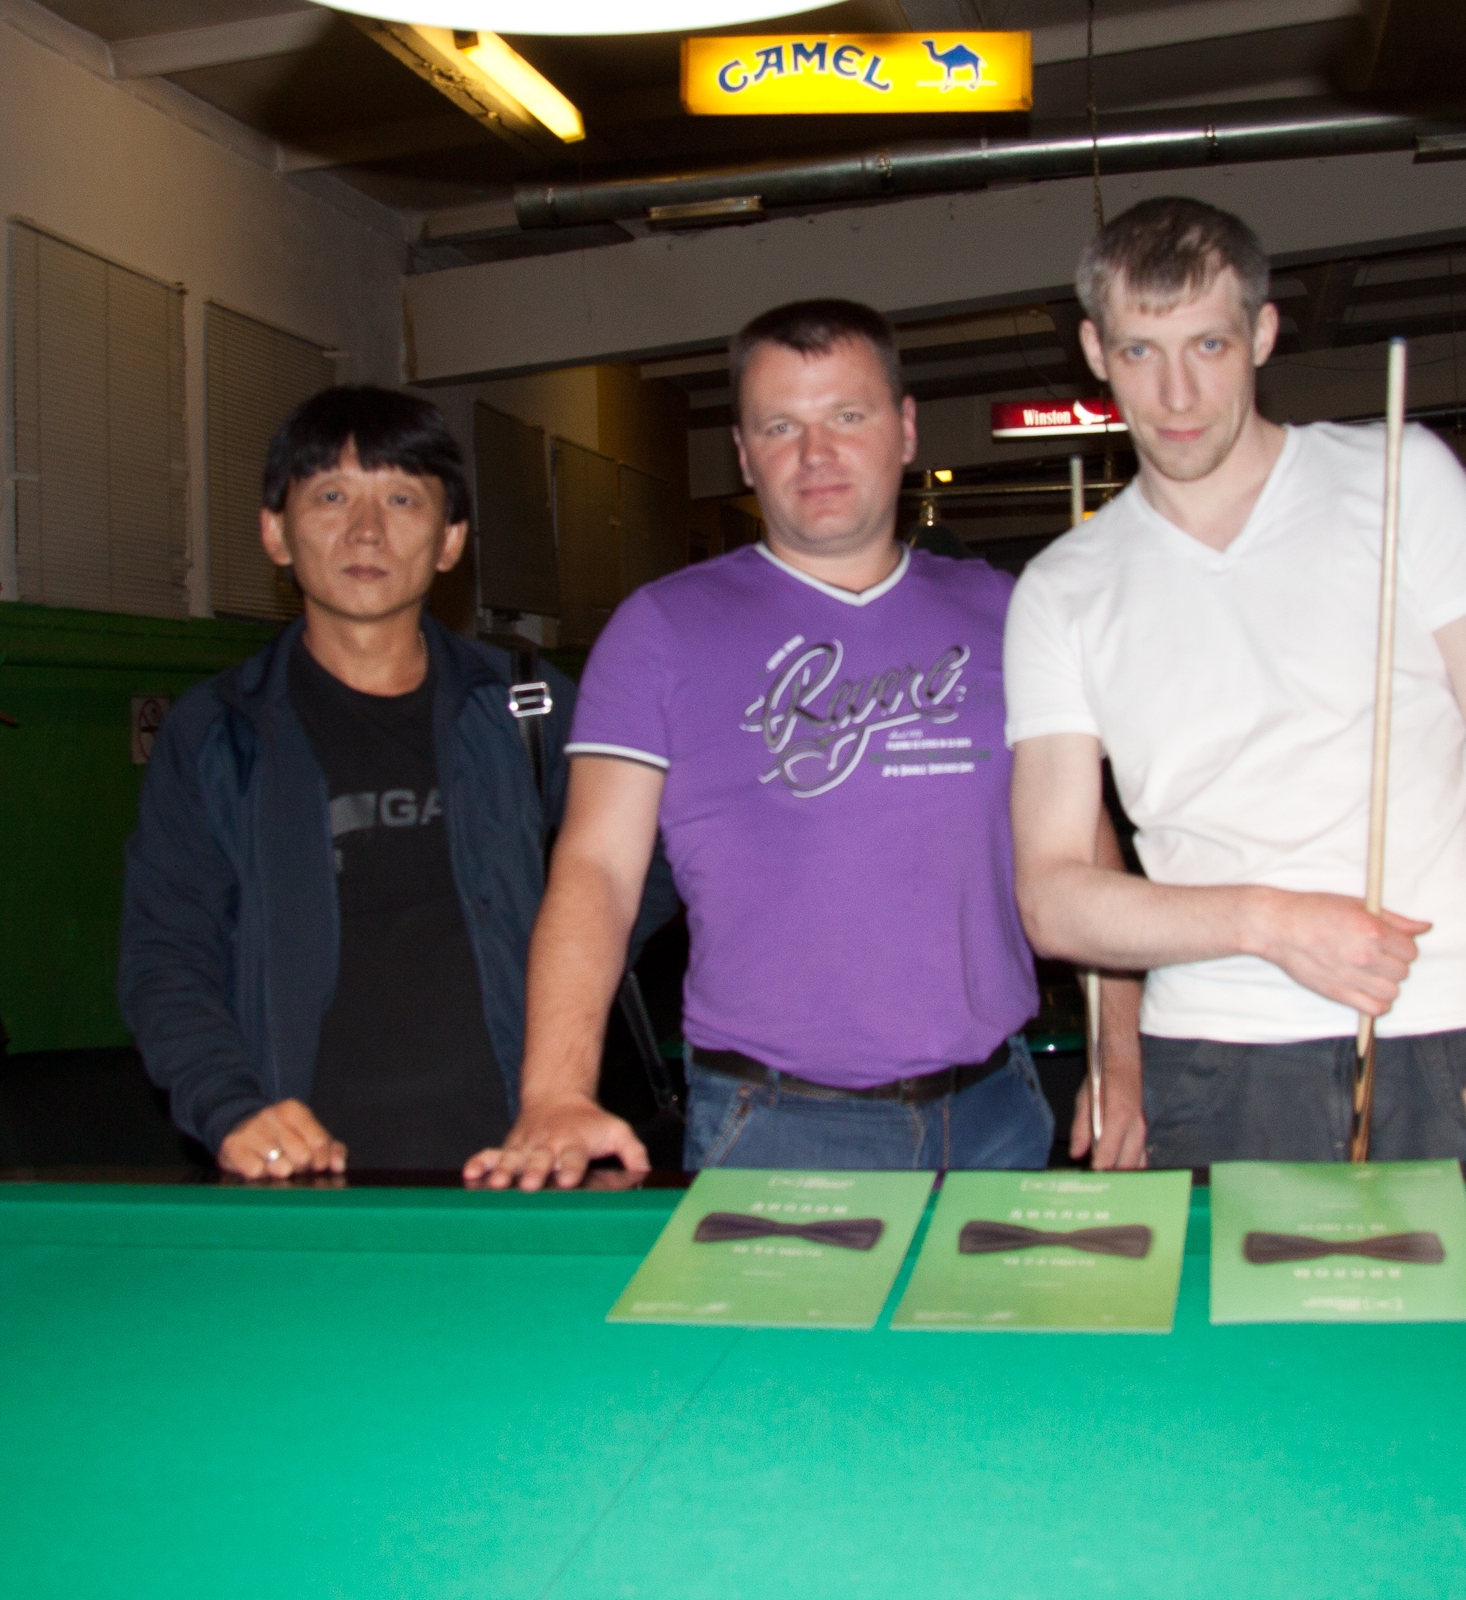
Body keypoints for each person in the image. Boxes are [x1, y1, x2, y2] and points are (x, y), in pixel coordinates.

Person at [473, 298, 1145, 1190]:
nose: (816, 453)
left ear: (906, 430)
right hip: (778, 1132)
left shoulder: (1009, 613)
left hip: (997, 1115)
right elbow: (596, 870)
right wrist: (556, 1090)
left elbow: (1086, 849)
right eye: (780, 426)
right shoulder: (661, 631)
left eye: (848, 416)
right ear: (744, 453)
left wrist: (1122, 1056)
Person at [1005, 197, 1466, 1166]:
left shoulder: (1403, 478)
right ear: (1096, 352)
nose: (1178, 395)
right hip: (1211, 1054)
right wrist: (1270, 923)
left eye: (1209, 345)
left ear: (1264, 333)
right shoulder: (1061, 588)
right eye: (1142, 351)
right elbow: (1053, 900)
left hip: (1440, 1027)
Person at [120, 386, 658, 1177]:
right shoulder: (218, 732)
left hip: (522, 1158)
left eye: (402, 498)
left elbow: (649, 862)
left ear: (450, 540)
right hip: (300, 1172)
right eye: (331, 496)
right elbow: (167, 952)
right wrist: (228, 1105)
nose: (366, 529)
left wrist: (563, 967)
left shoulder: (526, 705)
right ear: (275, 532)